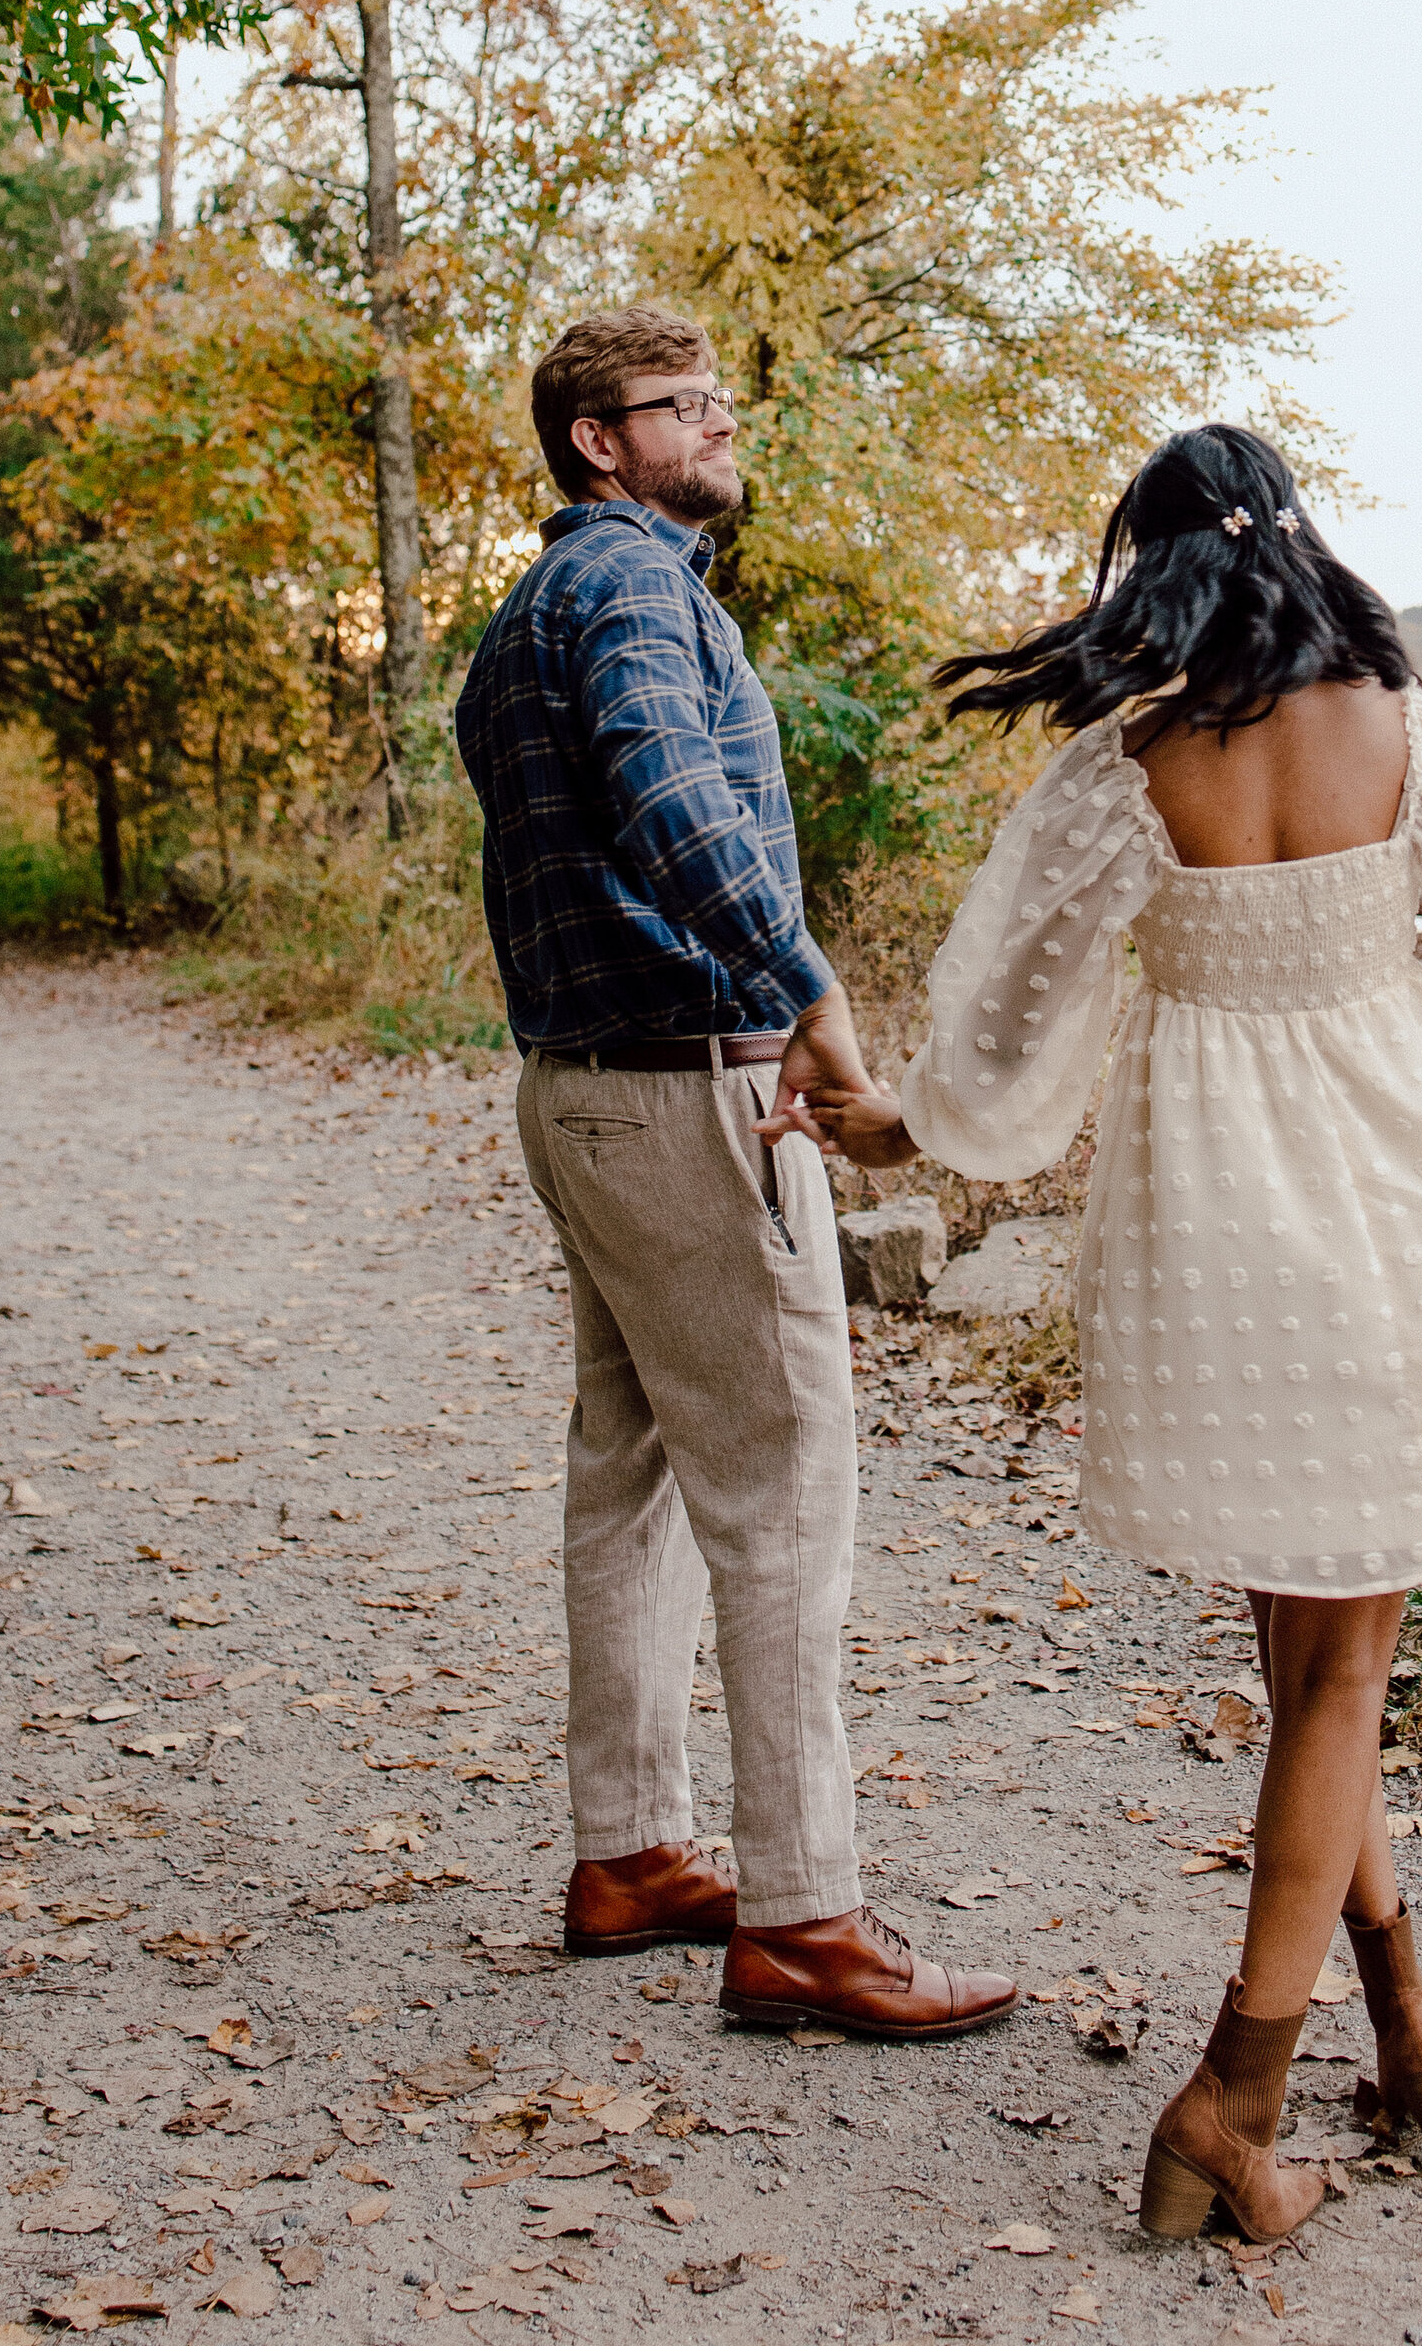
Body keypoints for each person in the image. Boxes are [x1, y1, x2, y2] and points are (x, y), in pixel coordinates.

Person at [807, 424, 1422, 2234]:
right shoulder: (1409, 730)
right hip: (1413, 1194)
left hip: (1219, 1228)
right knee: (1336, 1682)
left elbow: (1015, 1018)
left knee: (1309, 1678)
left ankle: (1406, 2028)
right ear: (1299, 546)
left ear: (1165, 566)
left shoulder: (1132, 762)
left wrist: (922, 1123)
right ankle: (1235, 2104)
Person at [453, 304, 1016, 2043]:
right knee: (783, 1487)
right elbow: (675, 803)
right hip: (689, 1095)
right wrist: (817, 1005)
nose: (716, 420)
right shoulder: (628, 586)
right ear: (597, 443)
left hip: (583, 1092)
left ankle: (628, 1852)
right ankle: (803, 1914)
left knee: (625, 1474)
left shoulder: (526, 611)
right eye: (673, 403)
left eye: (716, 395)